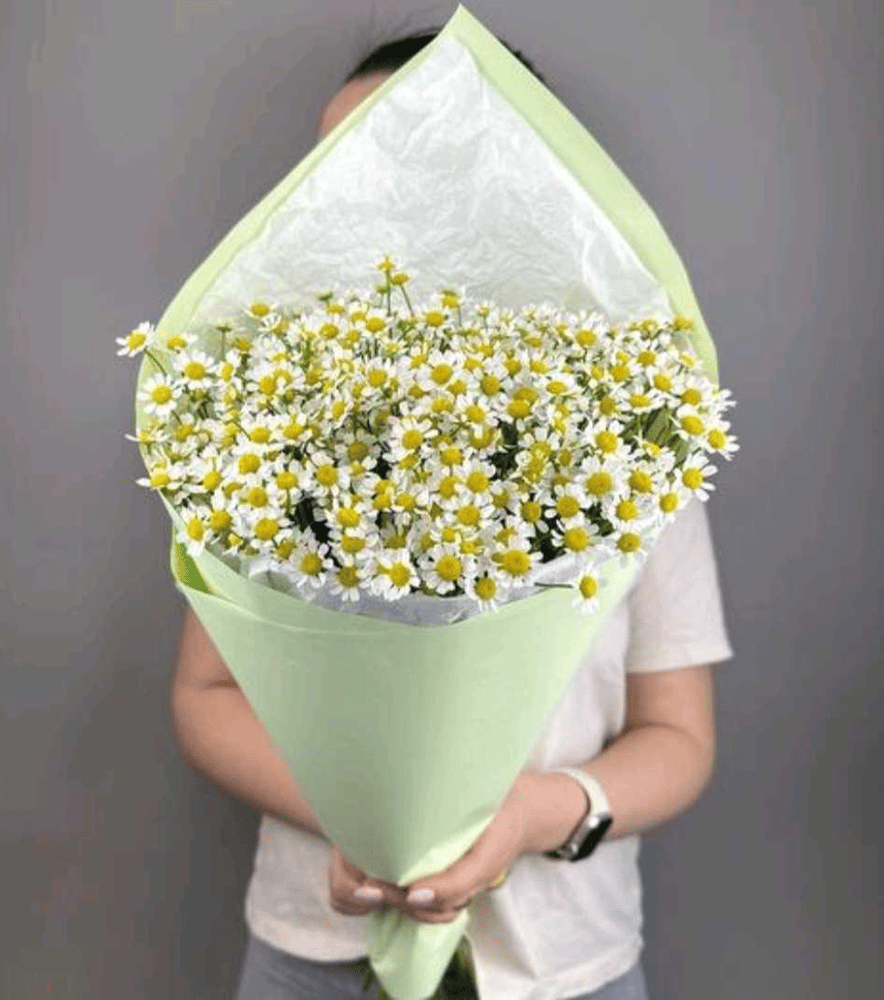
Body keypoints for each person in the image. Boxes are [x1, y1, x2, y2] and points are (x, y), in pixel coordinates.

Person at [169, 28, 735, 1000]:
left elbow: (678, 737)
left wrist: (532, 814)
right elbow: (205, 694)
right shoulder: (264, 428)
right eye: (328, 175)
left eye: (391, 163)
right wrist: (359, 820)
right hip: (313, 952)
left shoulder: (630, 433)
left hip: (567, 966)